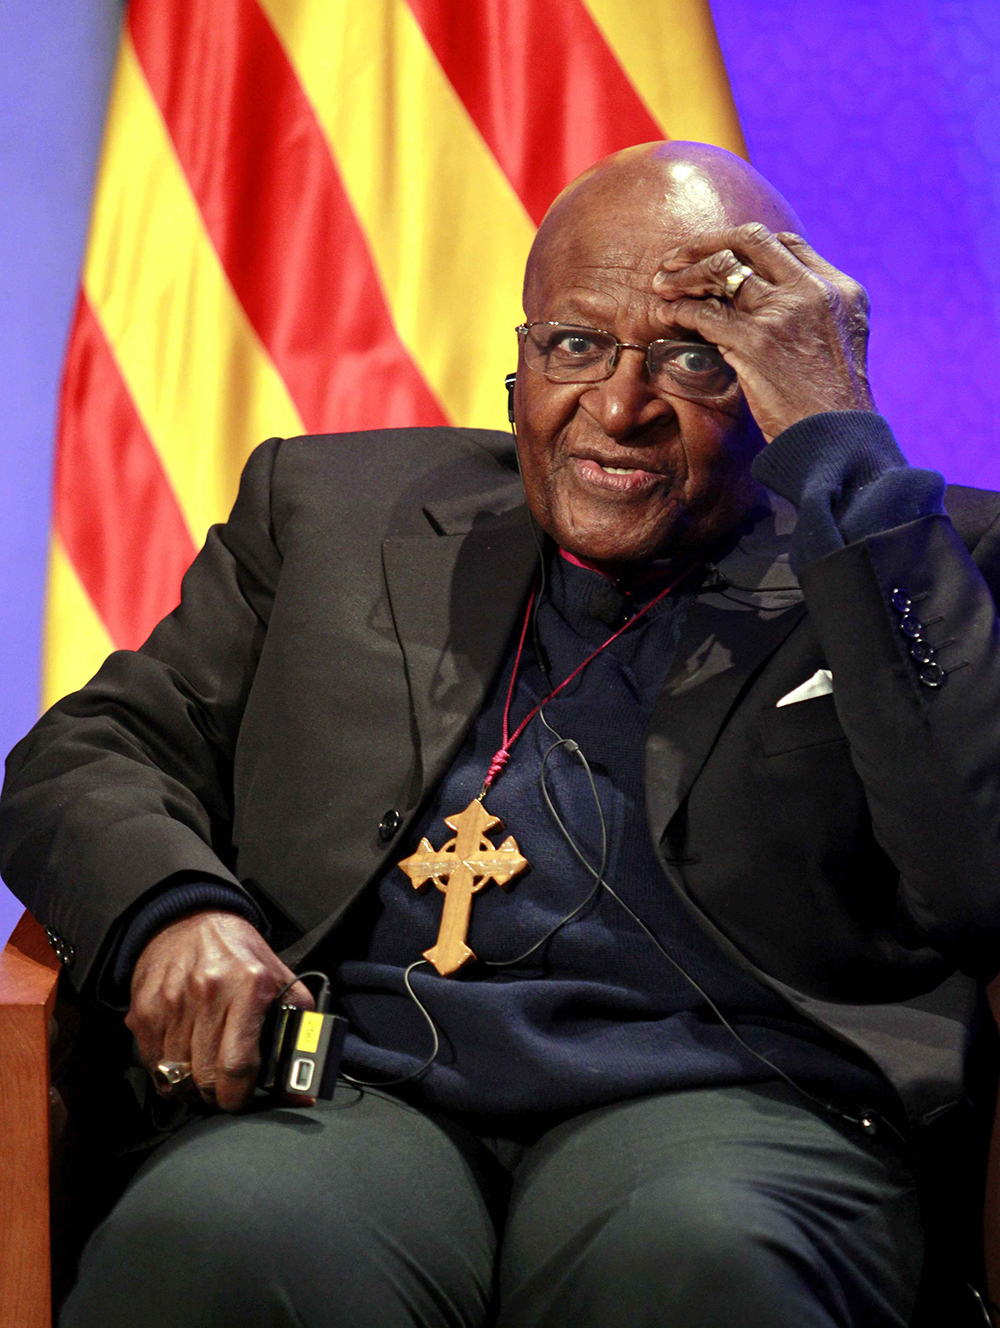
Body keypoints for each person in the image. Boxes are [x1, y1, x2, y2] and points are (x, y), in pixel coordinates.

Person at [3, 140, 1000, 1327]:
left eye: (693, 359)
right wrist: (174, 908)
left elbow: (977, 874)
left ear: (771, 383)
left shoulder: (906, 565)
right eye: (575, 346)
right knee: (211, 1238)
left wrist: (841, 444)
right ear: (516, 366)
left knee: (697, 1262)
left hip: (732, 1103)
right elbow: (87, 752)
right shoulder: (330, 512)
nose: (620, 409)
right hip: (353, 1092)